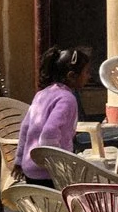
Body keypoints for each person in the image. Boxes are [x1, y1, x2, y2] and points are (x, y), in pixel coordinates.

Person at [13, 46, 92, 186]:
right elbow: (49, 132)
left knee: (43, 208)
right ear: (71, 76)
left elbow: (25, 128)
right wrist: (55, 166)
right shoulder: (67, 99)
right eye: (86, 72)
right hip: (49, 173)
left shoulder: (42, 94)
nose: (89, 76)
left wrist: (19, 161)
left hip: (30, 169)